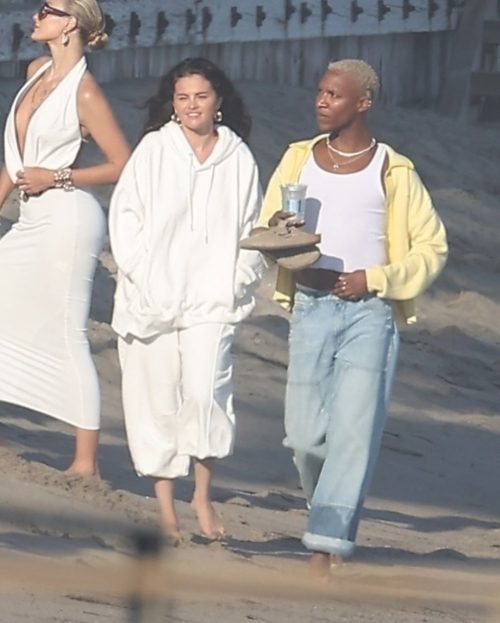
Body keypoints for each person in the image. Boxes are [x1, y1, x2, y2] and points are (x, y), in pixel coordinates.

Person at [259, 59, 448, 577]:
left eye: (334, 95)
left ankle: (325, 544)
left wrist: (377, 278)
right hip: (310, 306)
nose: (322, 102)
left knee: (353, 435)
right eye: (320, 92)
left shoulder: (393, 169)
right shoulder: (298, 159)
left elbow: (432, 246)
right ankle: (328, 507)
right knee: (303, 436)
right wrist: (277, 226)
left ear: (363, 103)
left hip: (370, 314)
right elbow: (265, 229)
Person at [109, 57, 263, 542]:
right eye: (182, 97)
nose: (192, 105)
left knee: (206, 392)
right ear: (172, 104)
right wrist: (144, 275)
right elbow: (125, 219)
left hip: (212, 301)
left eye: (201, 96)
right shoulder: (154, 150)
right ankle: (165, 510)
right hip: (151, 299)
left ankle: (201, 495)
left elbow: (251, 228)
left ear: (218, 100)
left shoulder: (238, 158)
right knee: (155, 400)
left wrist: (236, 281)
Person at [0, 1, 130, 477]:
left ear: (70, 23)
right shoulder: (36, 70)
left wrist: (56, 176)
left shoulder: (86, 91)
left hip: (69, 219)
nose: (35, 16)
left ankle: (85, 462)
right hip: (32, 215)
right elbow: (15, 162)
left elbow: (121, 163)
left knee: (68, 333)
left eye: (46, 10)